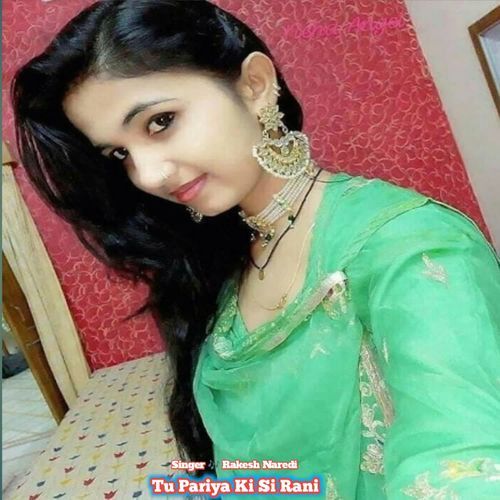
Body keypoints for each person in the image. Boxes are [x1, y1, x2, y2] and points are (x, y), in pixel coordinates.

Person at [11, 0, 500, 498]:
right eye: (120, 153)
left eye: (160, 122)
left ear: (255, 86)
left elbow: (462, 460)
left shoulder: (413, 249)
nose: (149, 175)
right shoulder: (228, 257)